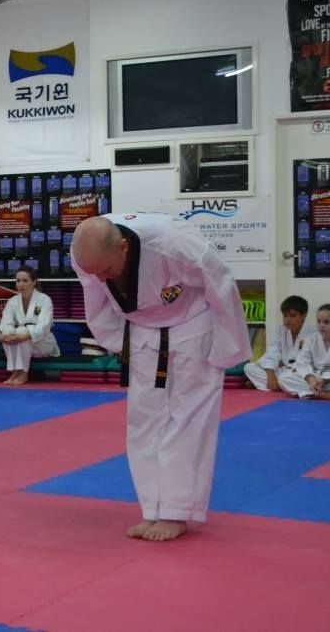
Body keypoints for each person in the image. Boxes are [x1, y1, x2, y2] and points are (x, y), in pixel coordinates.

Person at [70, 214, 251, 542]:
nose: (103, 278)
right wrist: (116, 341)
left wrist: (228, 346)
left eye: (107, 269)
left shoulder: (174, 243)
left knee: (188, 418)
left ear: (123, 247)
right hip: (140, 329)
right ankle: (152, 508)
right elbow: (94, 301)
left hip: (192, 324)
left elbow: (221, 283)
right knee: (143, 419)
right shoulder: (87, 254)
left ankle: (177, 512)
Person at [0, 265, 60, 385]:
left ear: (34, 282)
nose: (20, 284)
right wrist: (2, 336)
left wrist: (27, 335)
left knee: (22, 331)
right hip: (20, 343)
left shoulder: (44, 300)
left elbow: (44, 326)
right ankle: (15, 371)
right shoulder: (13, 301)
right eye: (18, 281)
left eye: (25, 281)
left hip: (42, 343)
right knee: (8, 332)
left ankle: (24, 373)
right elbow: (5, 322)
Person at [243, 296, 314, 392]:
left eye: (293, 316)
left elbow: (308, 364)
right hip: (283, 372)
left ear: (304, 315)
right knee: (249, 367)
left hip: (300, 374)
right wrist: (270, 374)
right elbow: (272, 352)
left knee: (286, 378)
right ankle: (280, 385)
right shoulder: (280, 330)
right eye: (285, 315)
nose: (287, 319)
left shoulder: (313, 334)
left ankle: (270, 385)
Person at [278, 303, 330, 400]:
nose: (321, 325)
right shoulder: (311, 339)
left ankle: (314, 393)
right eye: (319, 322)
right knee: (283, 378)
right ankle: (321, 394)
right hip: (316, 378)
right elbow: (302, 361)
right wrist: (311, 380)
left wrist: (325, 380)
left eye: (326, 322)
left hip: (327, 380)